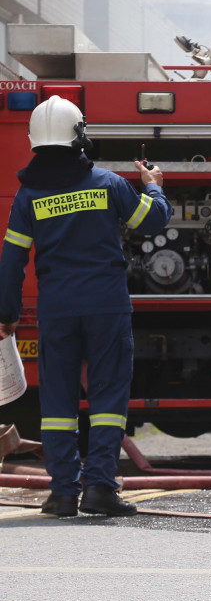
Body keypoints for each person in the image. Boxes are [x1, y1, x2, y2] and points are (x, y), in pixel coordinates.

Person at [0, 95, 172, 516]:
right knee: (107, 397)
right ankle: (99, 489)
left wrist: (6, 315)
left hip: (56, 310)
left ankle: (62, 494)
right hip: (105, 307)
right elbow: (152, 220)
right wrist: (154, 185)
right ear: (80, 136)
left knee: (57, 402)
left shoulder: (27, 197)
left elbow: (12, 260)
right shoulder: (108, 183)